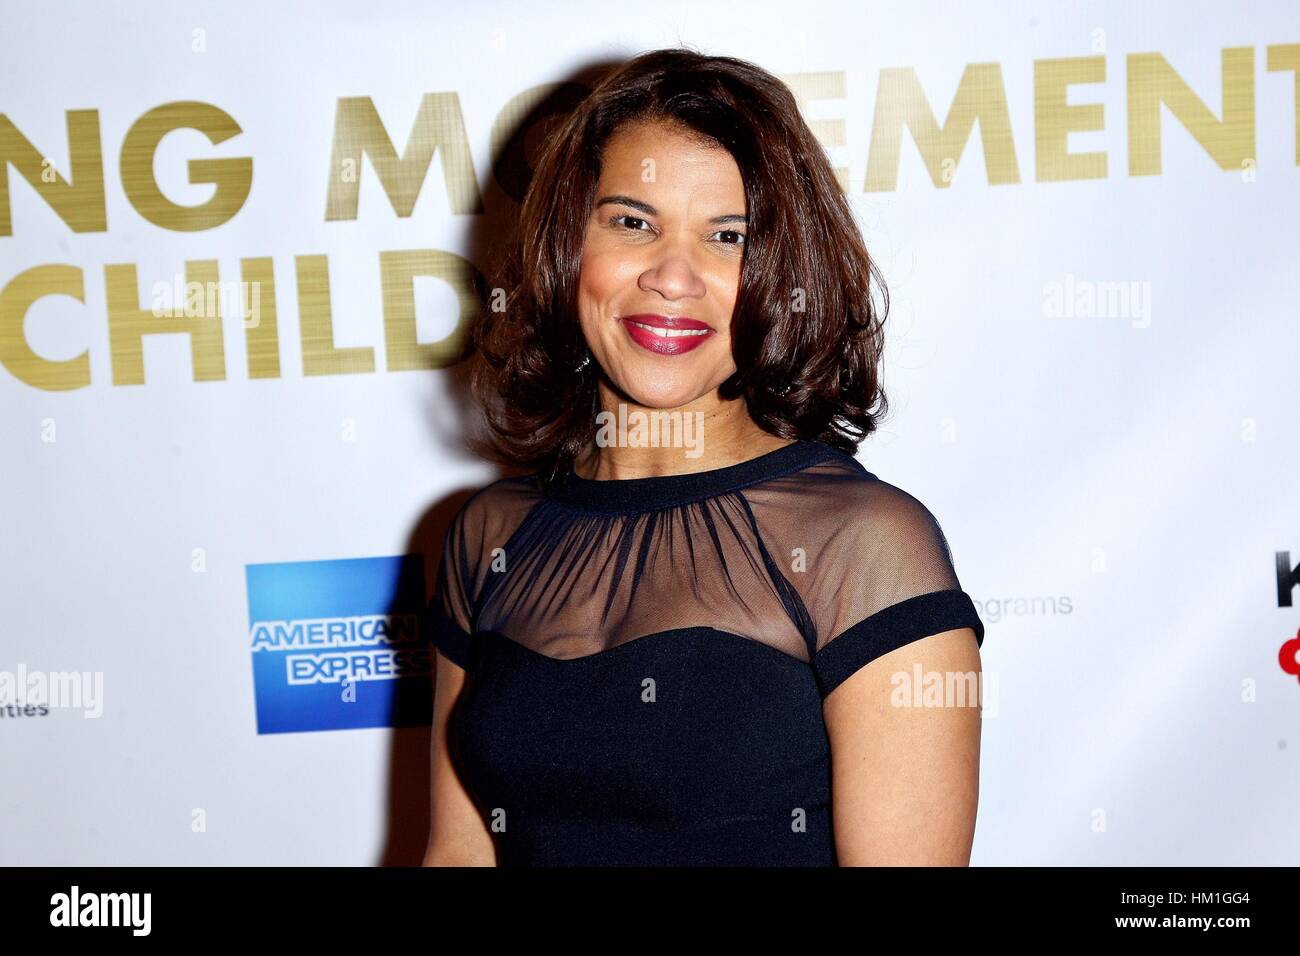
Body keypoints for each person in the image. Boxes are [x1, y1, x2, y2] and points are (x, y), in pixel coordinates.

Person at [422, 47, 985, 867]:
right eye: (632, 222)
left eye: (728, 237)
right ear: (567, 248)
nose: (673, 276)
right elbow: (458, 857)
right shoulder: (490, 536)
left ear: (781, 272)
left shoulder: (862, 545)